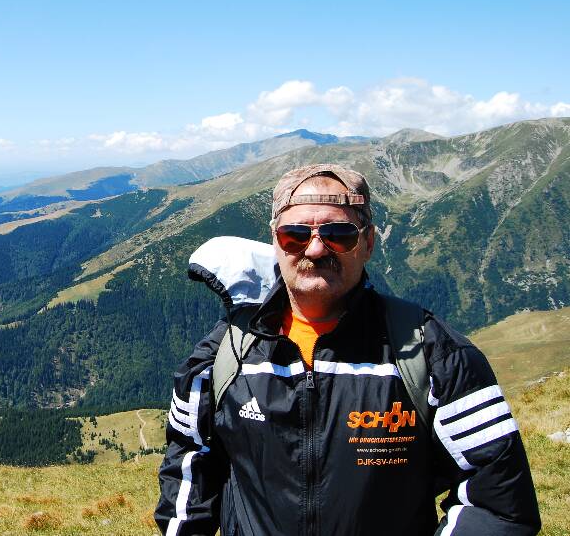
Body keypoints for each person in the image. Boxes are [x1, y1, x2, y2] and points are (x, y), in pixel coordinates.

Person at [155, 163, 540, 536]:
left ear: (368, 242)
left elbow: (499, 504)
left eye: (339, 234)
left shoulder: (436, 354)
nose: (316, 249)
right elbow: (188, 470)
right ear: (276, 242)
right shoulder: (222, 355)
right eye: (295, 235)